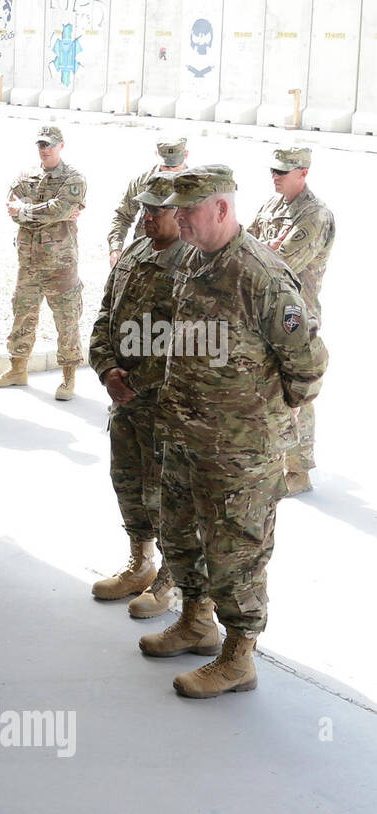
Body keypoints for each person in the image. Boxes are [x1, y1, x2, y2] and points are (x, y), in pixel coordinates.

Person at [137, 166, 327, 698]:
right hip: (184, 436)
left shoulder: (262, 276)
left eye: (187, 211)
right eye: (174, 210)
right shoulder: (193, 262)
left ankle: (238, 656)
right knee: (178, 535)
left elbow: (308, 364)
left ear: (221, 209)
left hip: (241, 452)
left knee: (235, 553)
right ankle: (196, 622)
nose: (178, 219)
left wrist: (262, 419)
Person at [88, 172, 192, 618]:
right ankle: (140, 560)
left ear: (180, 213)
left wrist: (136, 382)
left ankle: (171, 578)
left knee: (167, 493)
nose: (147, 216)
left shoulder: (192, 263)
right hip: (124, 401)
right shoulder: (134, 252)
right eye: (144, 208)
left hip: (163, 407)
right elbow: (105, 315)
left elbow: (188, 340)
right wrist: (106, 369)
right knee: (128, 482)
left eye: (157, 209)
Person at [246, 145, 336, 495]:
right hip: (265, 312)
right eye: (273, 170)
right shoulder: (271, 205)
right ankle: (271, 458)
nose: (275, 176)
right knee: (266, 386)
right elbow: (245, 243)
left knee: (298, 390)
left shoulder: (315, 215)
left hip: (296, 317)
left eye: (283, 172)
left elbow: (279, 264)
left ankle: (298, 470)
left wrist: (261, 251)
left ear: (304, 173)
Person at [0, 125, 86, 400]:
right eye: (41, 145)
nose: (44, 149)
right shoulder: (26, 176)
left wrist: (29, 210)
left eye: (50, 145)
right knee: (22, 315)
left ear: (61, 146)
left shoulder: (73, 178)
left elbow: (62, 208)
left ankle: (68, 378)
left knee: (67, 320)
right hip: (29, 262)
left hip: (61, 264)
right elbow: (13, 208)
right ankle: (17, 369)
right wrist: (47, 213)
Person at [108, 137, 188, 267]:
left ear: (186, 154)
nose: (170, 170)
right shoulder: (142, 181)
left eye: (175, 166)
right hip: (144, 254)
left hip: (180, 258)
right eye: (166, 165)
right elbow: (122, 216)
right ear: (157, 155)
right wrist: (116, 248)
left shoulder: (195, 186)